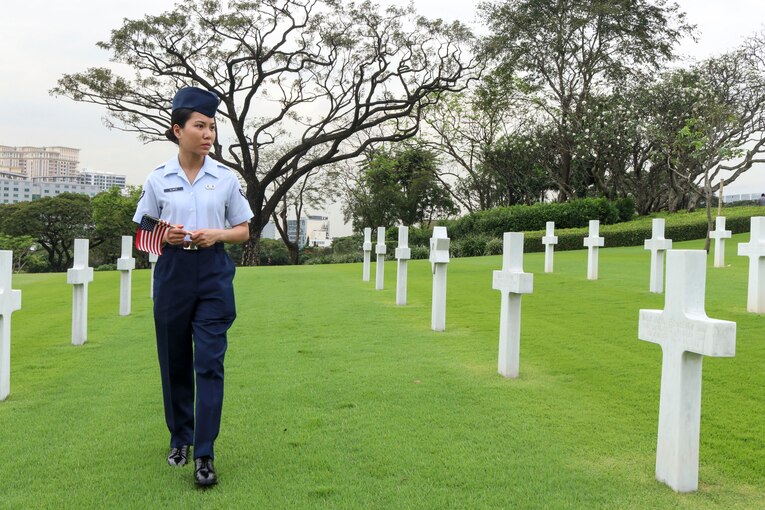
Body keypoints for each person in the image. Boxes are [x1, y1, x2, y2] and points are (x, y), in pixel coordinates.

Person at [133, 86, 253, 487]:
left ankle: (204, 452)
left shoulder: (225, 178)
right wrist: (163, 237)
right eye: (200, 126)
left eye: (212, 127)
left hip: (214, 274)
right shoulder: (157, 178)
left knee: (209, 363)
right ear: (177, 130)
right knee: (174, 362)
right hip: (172, 276)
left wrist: (216, 235)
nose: (208, 134)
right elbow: (142, 228)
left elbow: (243, 230)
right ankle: (179, 437)